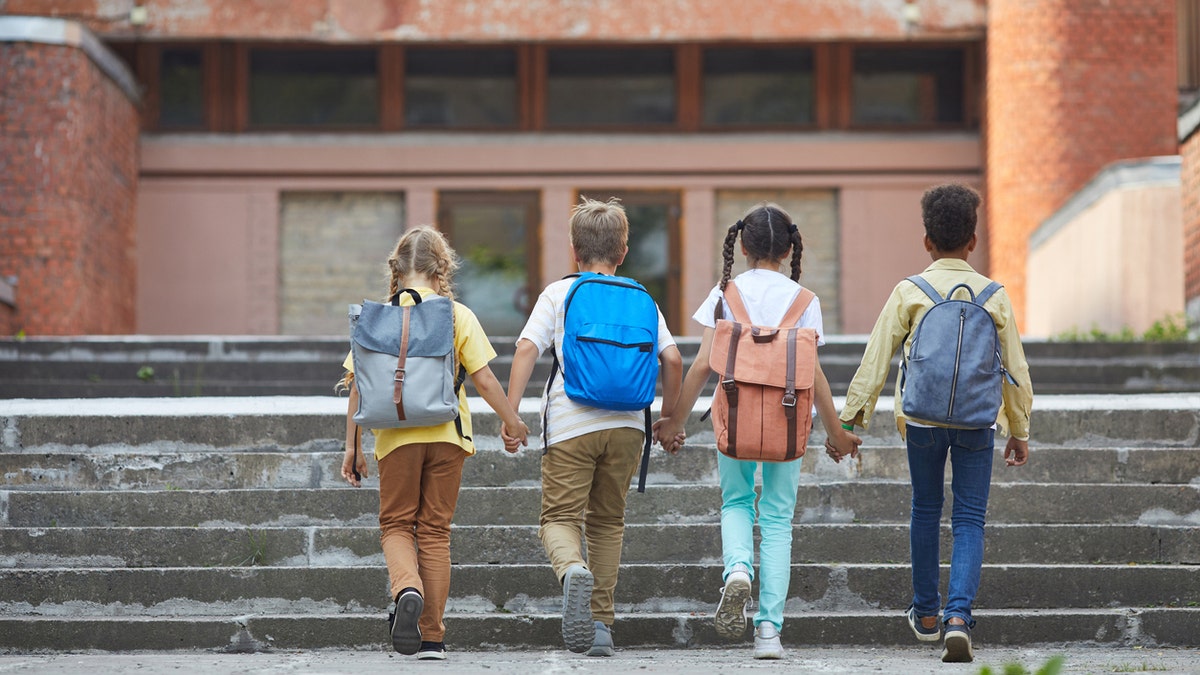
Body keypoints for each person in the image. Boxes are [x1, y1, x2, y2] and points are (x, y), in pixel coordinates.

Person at [653, 203, 861, 660]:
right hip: (789, 423)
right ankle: (768, 631)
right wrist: (837, 431)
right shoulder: (805, 301)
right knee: (777, 519)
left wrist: (674, 422)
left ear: (742, 246)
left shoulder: (726, 294)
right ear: (788, 251)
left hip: (735, 414)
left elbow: (704, 364)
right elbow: (815, 375)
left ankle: (738, 571)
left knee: (736, 501)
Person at [834, 184, 1033, 663]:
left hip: (920, 419)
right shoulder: (995, 296)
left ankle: (926, 612)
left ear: (927, 240)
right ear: (974, 240)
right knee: (969, 518)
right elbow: (1017, 370)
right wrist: (1018, 427)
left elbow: (877, 356)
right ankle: (958, 617)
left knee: (925, 507)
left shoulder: (910, 291)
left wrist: (851, 418)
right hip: (976, 422)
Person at [337, 226, 529, 661]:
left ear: (397, 269)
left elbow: (356, 388)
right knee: (436, 532)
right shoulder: (456, 314)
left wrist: (353, 447)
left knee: (397, 526)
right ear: (441, 268)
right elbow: (483, 378)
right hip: (447, 434)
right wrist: (512, 422)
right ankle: (432, 639)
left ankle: (407, 589)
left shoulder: (375, 317)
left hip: (394, 438)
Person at [502, 197, 683, 657]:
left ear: (573, 250)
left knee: (559, 519)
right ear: (623, 251)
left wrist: (512, 414)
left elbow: (526, 349)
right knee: (607, 523)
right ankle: (601, 626)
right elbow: (674, 358)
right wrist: (671, 418)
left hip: (570, 422)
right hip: (628, 426)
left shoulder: (559, 293)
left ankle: (571, 571)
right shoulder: (641, 297)